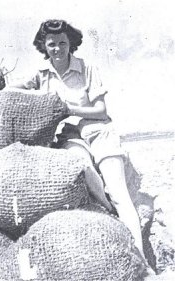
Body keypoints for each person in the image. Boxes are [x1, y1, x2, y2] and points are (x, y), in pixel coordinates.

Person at [12, 19, 145, 260]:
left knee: (120, 194)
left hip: (99, 131)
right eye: (51, 44)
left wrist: (66, 108)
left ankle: (142, 260)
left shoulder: (87, 68)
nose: (57, 49)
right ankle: (106, 207)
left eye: (62, 43)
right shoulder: (41, 75)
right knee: (81, 167)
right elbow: (13, 89)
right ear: (43, 46)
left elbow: (101, 110)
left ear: (70, 43)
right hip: (70, 137)